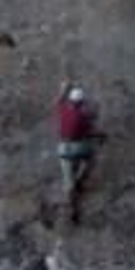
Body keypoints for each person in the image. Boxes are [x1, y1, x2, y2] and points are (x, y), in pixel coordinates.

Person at [56, 79, 102, 221]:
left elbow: (58, 100)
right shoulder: (82, 117)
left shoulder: (62, 109)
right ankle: (80, 181)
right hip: (78, 148)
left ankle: (72, 206)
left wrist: (63, 88)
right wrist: (102, 134)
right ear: (81, 103)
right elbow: (90, 132)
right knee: (91, 160)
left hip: (63, 148)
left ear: (70, 101)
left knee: (68, 182)